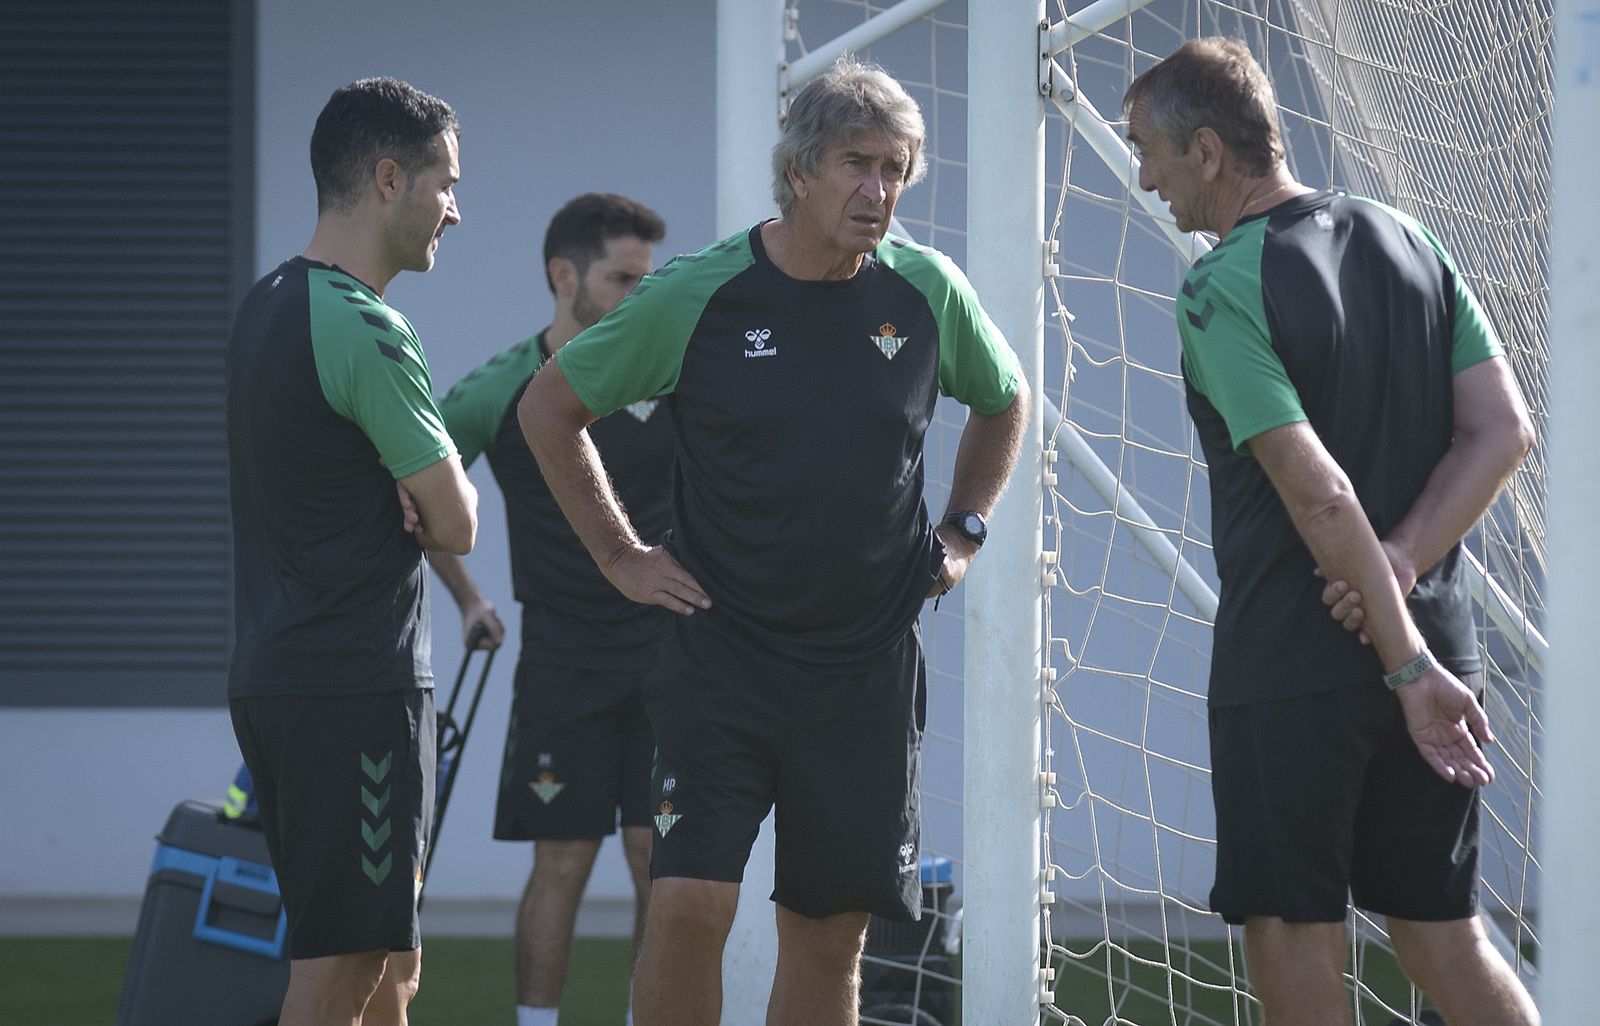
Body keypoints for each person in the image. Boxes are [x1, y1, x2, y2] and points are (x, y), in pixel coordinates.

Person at [519, 56, 1030, 1026]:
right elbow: (549, 407)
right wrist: (622, 557)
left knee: (828, 933)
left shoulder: (926, 291)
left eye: (896, 169)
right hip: (721, 660)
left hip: (864, 673)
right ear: (797, 172)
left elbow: (1004, 404)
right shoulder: (696, 297)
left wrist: (964, 530)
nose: (878, 191)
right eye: (855, 164)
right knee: (686, 906)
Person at [1123, 38, 1538, 1026]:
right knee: (1445, 936)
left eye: (1149, 149)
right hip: (1441, 643)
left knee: (1291, 928)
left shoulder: (1219, 282)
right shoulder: (1411, 239)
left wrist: (1399, 666)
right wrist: (1400, 575)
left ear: (1210, 152)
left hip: (1302, 661)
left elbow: (1317, 496)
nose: (1144, 177)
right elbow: (1503, 432)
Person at [226, 77, 476, 1026]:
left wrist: (406, 482)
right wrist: (433, 487)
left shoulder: (265, 304)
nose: (456, 207)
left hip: (287, 677)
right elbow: (456, 524)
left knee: (390, 966)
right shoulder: (364, 321)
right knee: (342, 970)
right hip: (350, 690)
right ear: (386, 178)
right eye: (445, 182)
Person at [431, 192, 669, 1026]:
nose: (643, 296)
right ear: (563, 275)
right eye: (624, 278)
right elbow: (414, 494)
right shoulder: (499, 387)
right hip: (562, 663)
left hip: (671, 662)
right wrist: (468, 598)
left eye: (650, 279)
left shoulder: (677, 374)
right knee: (562, 861)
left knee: (659, 864)